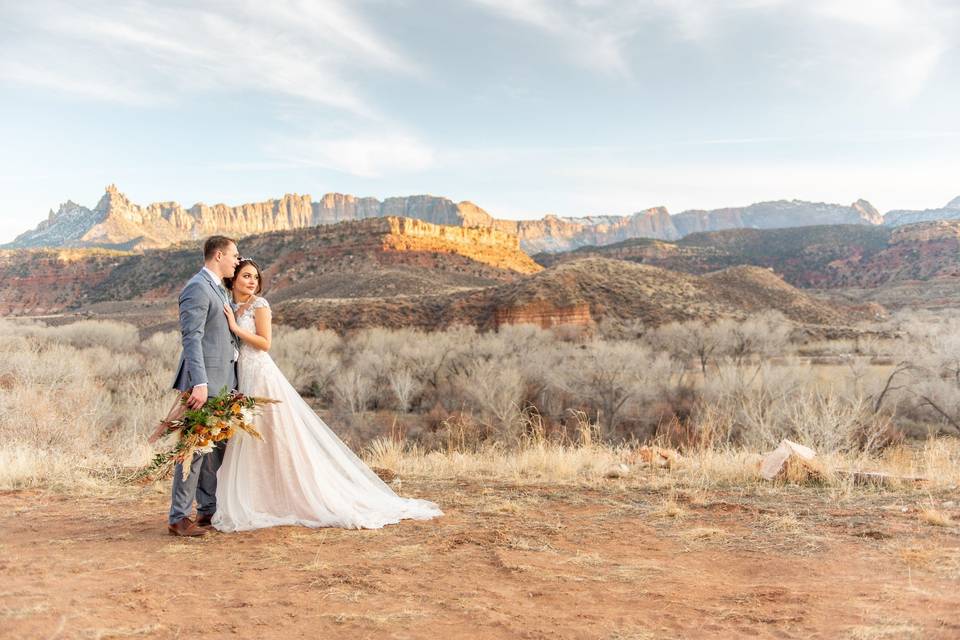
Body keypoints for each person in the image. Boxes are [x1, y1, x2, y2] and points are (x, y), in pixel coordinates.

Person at [212, 258, 442, 531]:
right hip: (241, 376)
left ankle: (294, 494)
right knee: (251, 438)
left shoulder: (260, 305)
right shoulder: (231, 304)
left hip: (261, 375)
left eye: (255, 278)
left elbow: (265, 343)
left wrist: (236, 328)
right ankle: (261, 496)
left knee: (275, 434)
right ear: (233, 277)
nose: (252, 282)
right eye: (247, 276)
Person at [168, 236, 241, 537]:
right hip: (205, 383)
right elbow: (191, 338)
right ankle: (179, 517)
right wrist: (199, 382)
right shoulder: (197, 287)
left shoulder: (219, 289)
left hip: (224, 382)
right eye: (235, 256)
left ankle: (207, 510)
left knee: (214, 450)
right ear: (219, 255)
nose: (238, 261)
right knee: (194, 449)